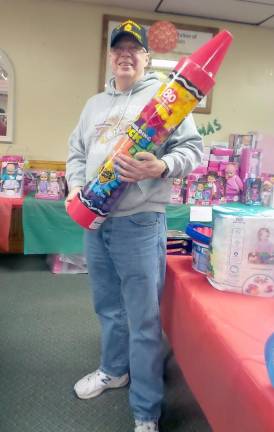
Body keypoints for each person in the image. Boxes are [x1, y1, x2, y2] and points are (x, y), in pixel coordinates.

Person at [66, 18, 203, 432]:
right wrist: (74, 185)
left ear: (146, 56)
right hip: (96, 223)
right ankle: (114, 370)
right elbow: (74, 152)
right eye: (118, 49)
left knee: (143, 318)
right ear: (110, 56)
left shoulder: (166, 99)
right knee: (108, 308)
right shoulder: (94, 105)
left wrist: (161, 165)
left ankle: (146, 411)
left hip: (140, 224)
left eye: (134, 49)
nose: (126, 55)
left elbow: (194, 151)